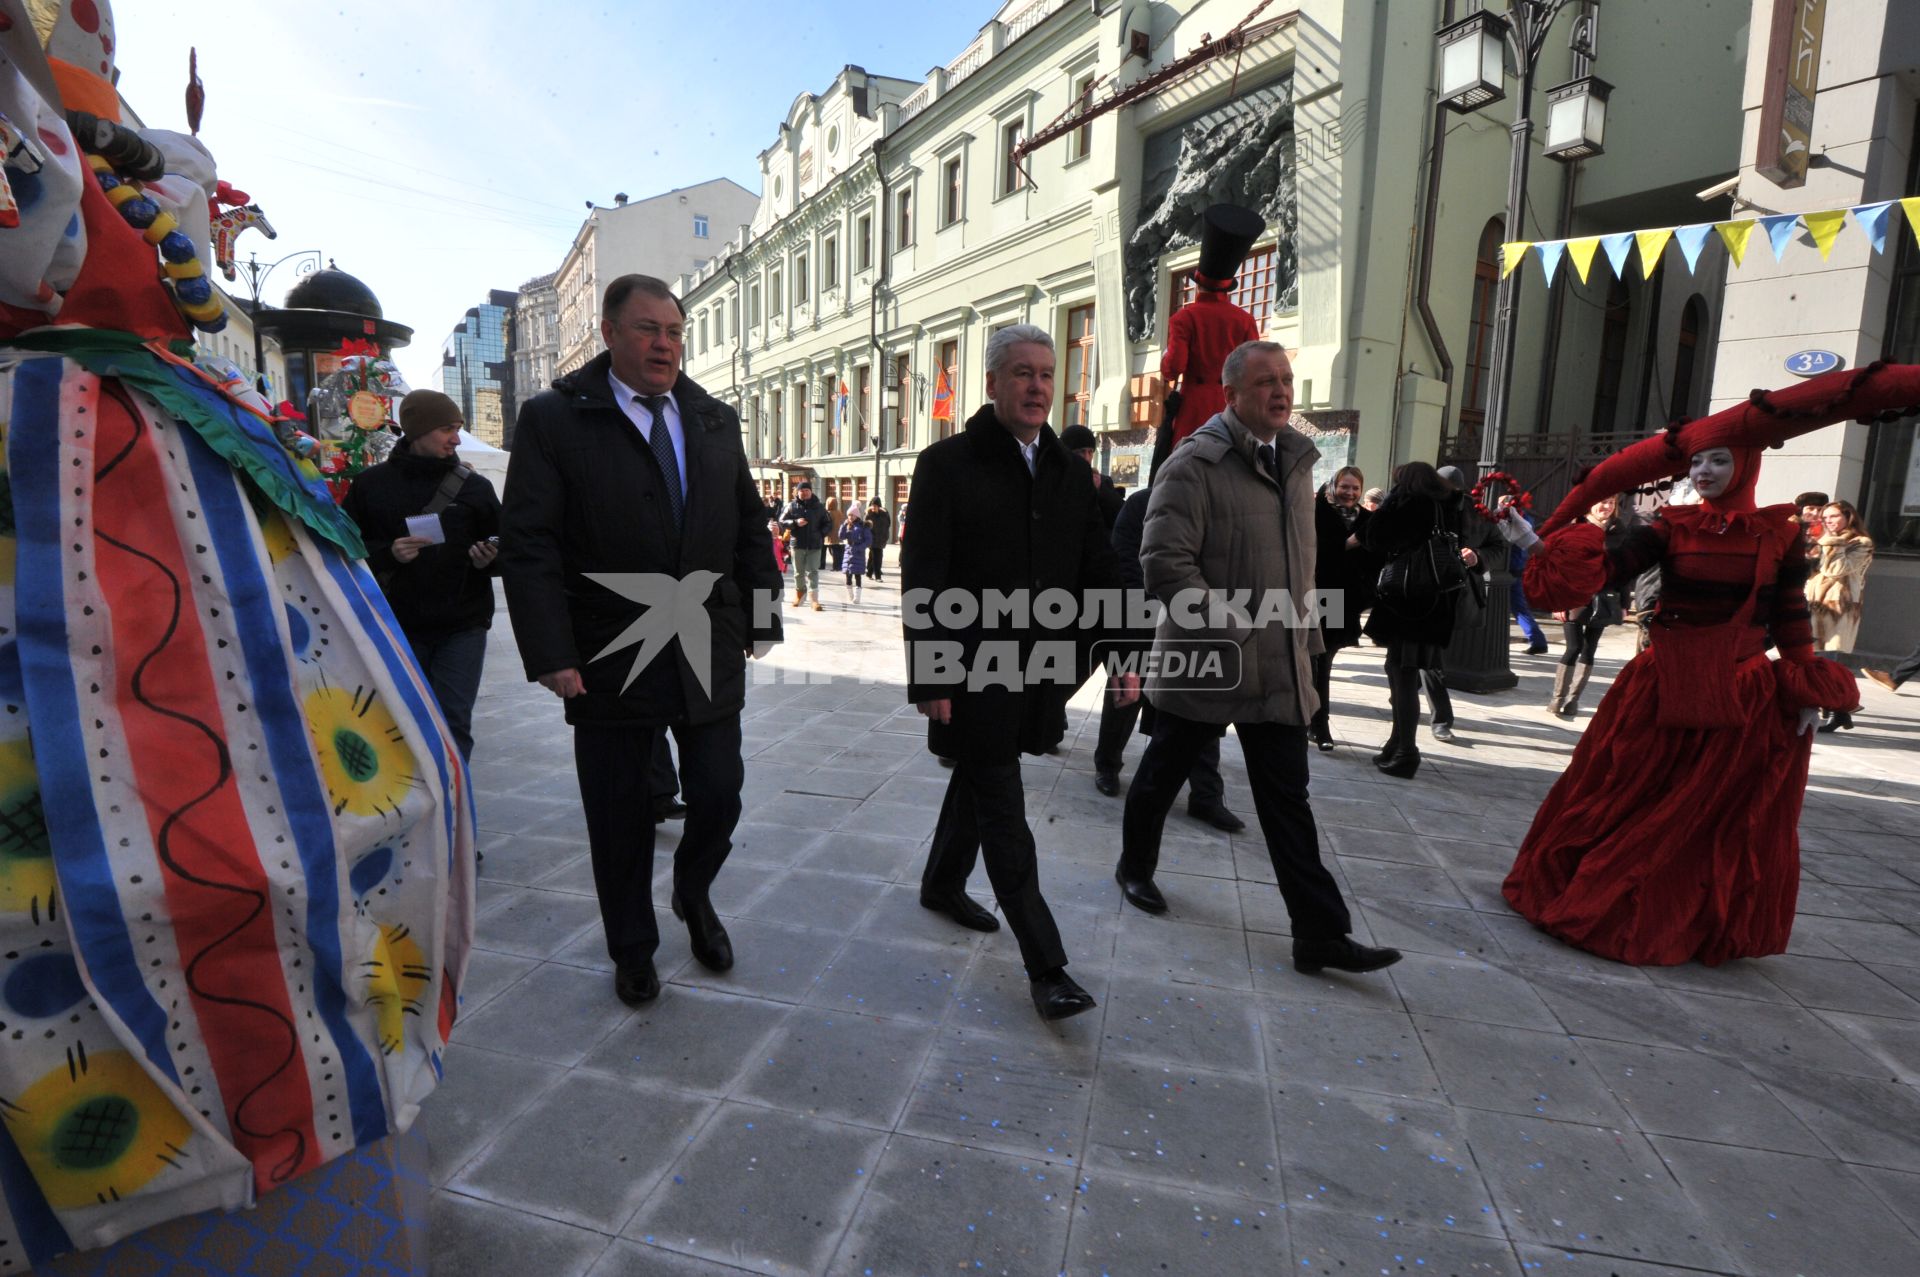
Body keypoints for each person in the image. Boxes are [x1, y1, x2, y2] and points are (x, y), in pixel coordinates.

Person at [1493, 364, 1908, 966]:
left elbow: (1791, 613)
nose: (1703, 472)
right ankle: (1604, 900)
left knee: (1701, 816)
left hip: (1740, 694)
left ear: (1746, 465)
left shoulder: (1779, 535)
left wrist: (1806, 690)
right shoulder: (1672, 527)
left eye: (1717, 460)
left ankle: (1682, 920)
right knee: (1626, 797)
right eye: (1695, 463)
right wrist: (1534, 543)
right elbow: (1608, 571)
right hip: (1661, 687)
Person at [501, 273, 783, 1007]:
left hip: (706, 640)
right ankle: (632, 947)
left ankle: (694, 892)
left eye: (674, 331)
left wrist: (759, 616)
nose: (665, 344)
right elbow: (528, 542)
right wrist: (551, 651)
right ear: (609, 333)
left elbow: (749, 522)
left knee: (720, 795)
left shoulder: (714, 419)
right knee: (620, 815)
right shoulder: (554, 419)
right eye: (648, 329)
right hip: (607, 649)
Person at [1116, 341, 1399, 975]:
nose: (1281, 391)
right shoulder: (1194, 464)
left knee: (1287, 801)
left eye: (1287, 380)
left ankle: (1319, 933)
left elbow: (1303, 574)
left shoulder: (1300, 465)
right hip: (1210, 661)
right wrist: (1235, 627)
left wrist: (1307, 649)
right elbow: (1164, 567)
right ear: (1231, 395)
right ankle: (1134, 868)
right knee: (1162, 776)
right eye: (1266, 381)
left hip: (1278, 669)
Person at [903, 323, 1138, 1021]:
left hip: (1039, 668)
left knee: (986, 774)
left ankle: (943, 882)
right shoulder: (946, 464)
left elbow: (1101, 569)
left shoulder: (1072, 474)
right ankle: (1047, 966)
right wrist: (931, 671)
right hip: (972, 667)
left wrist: (1125, 646)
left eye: (1046, 373)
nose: (1037, 386)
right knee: (1005, 808)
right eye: (1022, 373)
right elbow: (925, 575)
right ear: (992, 384)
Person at [1091, 429, 1243, 833]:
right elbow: (1125, 564)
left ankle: (1206, 796)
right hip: (1144, 619)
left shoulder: (1217, 508)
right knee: (1125, 695)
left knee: (1201, 708)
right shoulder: (1140, 504)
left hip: (1196, 623)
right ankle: (1108, 765)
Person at [342, 388, 501, 763]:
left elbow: (505, 539)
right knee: (402, 721)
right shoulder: (370, 486)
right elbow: (345, 547)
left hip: (462, 625)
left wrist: (490, 557)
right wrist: (388, 553)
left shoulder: (475, 486)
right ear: (417, 431)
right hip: (397, 624)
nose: (456, 438)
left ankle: (452, 807)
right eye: (447, 428)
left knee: (453, 720)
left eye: (458, 428)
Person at [1362, 462, 1472, 775]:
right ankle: (1395, 744)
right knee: (1401, 672)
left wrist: (1391, 500)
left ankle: (1407, 752)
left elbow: (1375, 537)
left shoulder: (1412, 504)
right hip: (1435, 603)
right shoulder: (1449, 506)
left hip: (1409, 602)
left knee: (1403, 676)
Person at [1161, 205, 1264, 444]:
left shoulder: (1184, 318)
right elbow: (1256, 370)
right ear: (1227, 287)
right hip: (1232, 411)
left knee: (1185, 467)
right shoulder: (1245, 320)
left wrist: (1164, 360)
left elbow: (1173, 367)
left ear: (1198, 284)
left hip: (1193, 411)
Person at [1309, 465, 1371, 750]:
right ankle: (1316, 725)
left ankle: (1317, 725)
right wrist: (1349, 544)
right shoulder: (1315, 512)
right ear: (1333, 486)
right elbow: (1312, 552)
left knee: (1323, 662)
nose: (1350, 493)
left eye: (1355, 488)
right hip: (1314, 595)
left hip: (1344, 600)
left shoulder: (1367, 519)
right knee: (1312, 662)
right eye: (1345, 486)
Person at [1547, 495, 1626, 718]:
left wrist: (1624, 603)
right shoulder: (1574, 529)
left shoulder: (1619, 532)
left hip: (1604, 598)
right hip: (1574, 597)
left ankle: (1573, 701)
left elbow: (1624, 570)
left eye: (1612, 503)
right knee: (1573, 647)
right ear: (1590, 504)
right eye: (1603, 501)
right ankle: (1557, 699)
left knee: (1590, 649)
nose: (1607, 507)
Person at [1806, 499, 1875, 732]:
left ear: (1848, 516)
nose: (1829, 522)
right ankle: (1840, 711)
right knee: (1818, 661)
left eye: (1834, 516)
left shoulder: (1861, 542)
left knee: (1828, 662)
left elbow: (1836, 570)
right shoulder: (1824, 541)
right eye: (1826, 518)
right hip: (1816, 605)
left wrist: (1828, 543)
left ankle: (1837, 710)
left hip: (1838, 609)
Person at [1061, 423, 1127, 530]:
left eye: (1090, 452)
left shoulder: (1103, 481)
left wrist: (1100, 490)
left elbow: (1120, 516)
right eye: (1081, 452)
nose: (1087, 458)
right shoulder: (1056, 479)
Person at [779, 480, 828, 610]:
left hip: (814, 545)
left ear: (811, 492)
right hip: (797, 544)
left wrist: (820, 534)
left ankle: (814, 600)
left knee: (813, 571)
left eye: (807, 490)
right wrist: (795, 522)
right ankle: (800, 595)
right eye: (802, 491)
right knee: (798, 572)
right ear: (797, 492)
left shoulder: (819, 506)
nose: (805, 493)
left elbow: (828, 523)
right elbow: (782, 521)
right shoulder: (791, 506)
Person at [838, 505, 872, 603]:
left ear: (857, 515)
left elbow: (868, 541)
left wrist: (859, 548)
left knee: (857, 574)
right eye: (849, 515)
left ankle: (857, 597)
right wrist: (843, 525)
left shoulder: (863, 526)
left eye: (852, 515)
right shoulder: (848, 524)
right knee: (848, 574)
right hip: (848, 552)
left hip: (858, 553)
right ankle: (850, 595)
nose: (850, 517)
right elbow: (841, 536)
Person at [1795, 490, 1831, 565]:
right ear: (1800, 511)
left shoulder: (1830, 531)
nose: (1815, 513)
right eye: (1811, 508)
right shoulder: (1791, 529)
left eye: (1820, 509)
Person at [865, 498, 892, 581]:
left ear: (879, 506)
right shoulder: (868, 514)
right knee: (878, 557)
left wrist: (885, 536)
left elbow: (888, 524)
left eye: (875, 505)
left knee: (874, 557)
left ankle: (869, 573)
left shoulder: (884, 514)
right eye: (872, 505)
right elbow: (865, 527)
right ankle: (878, 576)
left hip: (881, 539)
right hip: (872, 539)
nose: (873, 507)